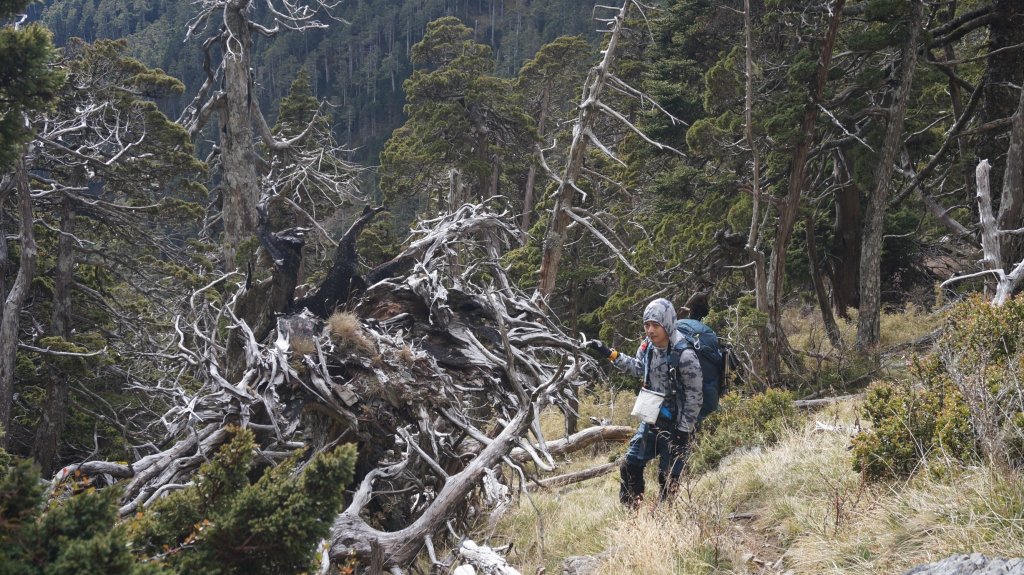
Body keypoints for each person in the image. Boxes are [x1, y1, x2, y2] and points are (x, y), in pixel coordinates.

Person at [587, 298, 702, 505]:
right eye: (647, 325)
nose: (650, 330)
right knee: (629, 464)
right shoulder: (648, 348)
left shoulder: (685, 355)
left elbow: (695, 397)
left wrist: (684, 431)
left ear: (667, 324)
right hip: (651, 421)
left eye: (655, 325)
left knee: (668, 478)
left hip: (678, 427)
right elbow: (639, 368)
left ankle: (665, 521)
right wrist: (609, 353)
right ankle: (633, 511)